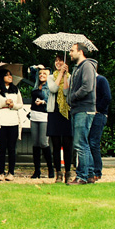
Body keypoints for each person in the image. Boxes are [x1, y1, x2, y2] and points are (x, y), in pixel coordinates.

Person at [67, 43, 98, 185]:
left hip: (84, 109)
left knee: (80, 144)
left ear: (80, 52)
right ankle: (90, 174)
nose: (70, 53)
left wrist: (73, 97)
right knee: (83, 143)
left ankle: (82, 176)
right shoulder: (77, 68)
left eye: (72, 50)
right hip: (78, 109)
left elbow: (87, 87)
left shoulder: (87, 66)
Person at [0, 69, 23, 181]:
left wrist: (13, 105)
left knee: (12, 148)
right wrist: (4, 103)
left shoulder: (15, 89)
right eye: (7, 75)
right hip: (1, 121)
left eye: (10, 75)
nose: (10, 77)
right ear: (1, 77)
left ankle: (11, 172)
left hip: (13, 121)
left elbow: (20, 104)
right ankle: (1, 172)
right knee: (2, 147)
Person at [47, 55, 72, 183]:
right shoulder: (51, 77)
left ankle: (68, 172)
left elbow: (67, 92)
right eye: (56, 60)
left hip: (66, 112)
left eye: (60, 60)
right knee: (56, 144)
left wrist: (65, 76)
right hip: (54, 112)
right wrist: (60, 74)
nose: (58, 63)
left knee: (67, 144)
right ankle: (58, 173)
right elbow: (53, 89)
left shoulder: (70, 77)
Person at [28, 66, 52, 179]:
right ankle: (37, 170)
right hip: (34, 115)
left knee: (43, 142)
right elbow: (31, 71)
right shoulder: (36, 84)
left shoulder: (49, 86)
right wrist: (37, 67)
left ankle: (50, 168)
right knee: (35, 143)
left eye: (44, 74)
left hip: (44, 115)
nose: (42, 75)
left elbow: (51, 99)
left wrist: (43, 102)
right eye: (40, 73)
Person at [88, 72, 111, 181]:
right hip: (90, 114)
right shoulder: (88, 81)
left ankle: (97, 171)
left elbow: (107, 97)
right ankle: (90, 170)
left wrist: (98, 109)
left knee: (93, 143)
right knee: (89, 142)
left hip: (99, 115)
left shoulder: (101, 80)